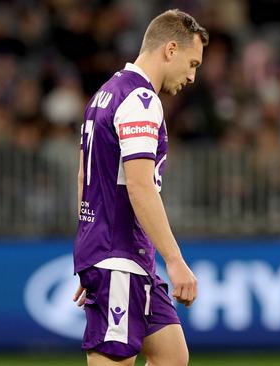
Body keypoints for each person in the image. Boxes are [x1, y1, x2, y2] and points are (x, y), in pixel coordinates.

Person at [71, 9, 208, 366]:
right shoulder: (141, 101)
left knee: (172, 356)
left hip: (120, 255)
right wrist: (175, 261)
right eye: (192, 63)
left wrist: (91, 250)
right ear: (170, 49)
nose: (192, 76)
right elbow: (140, 186)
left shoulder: (106, 93)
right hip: (119, 255)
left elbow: (85, 177)